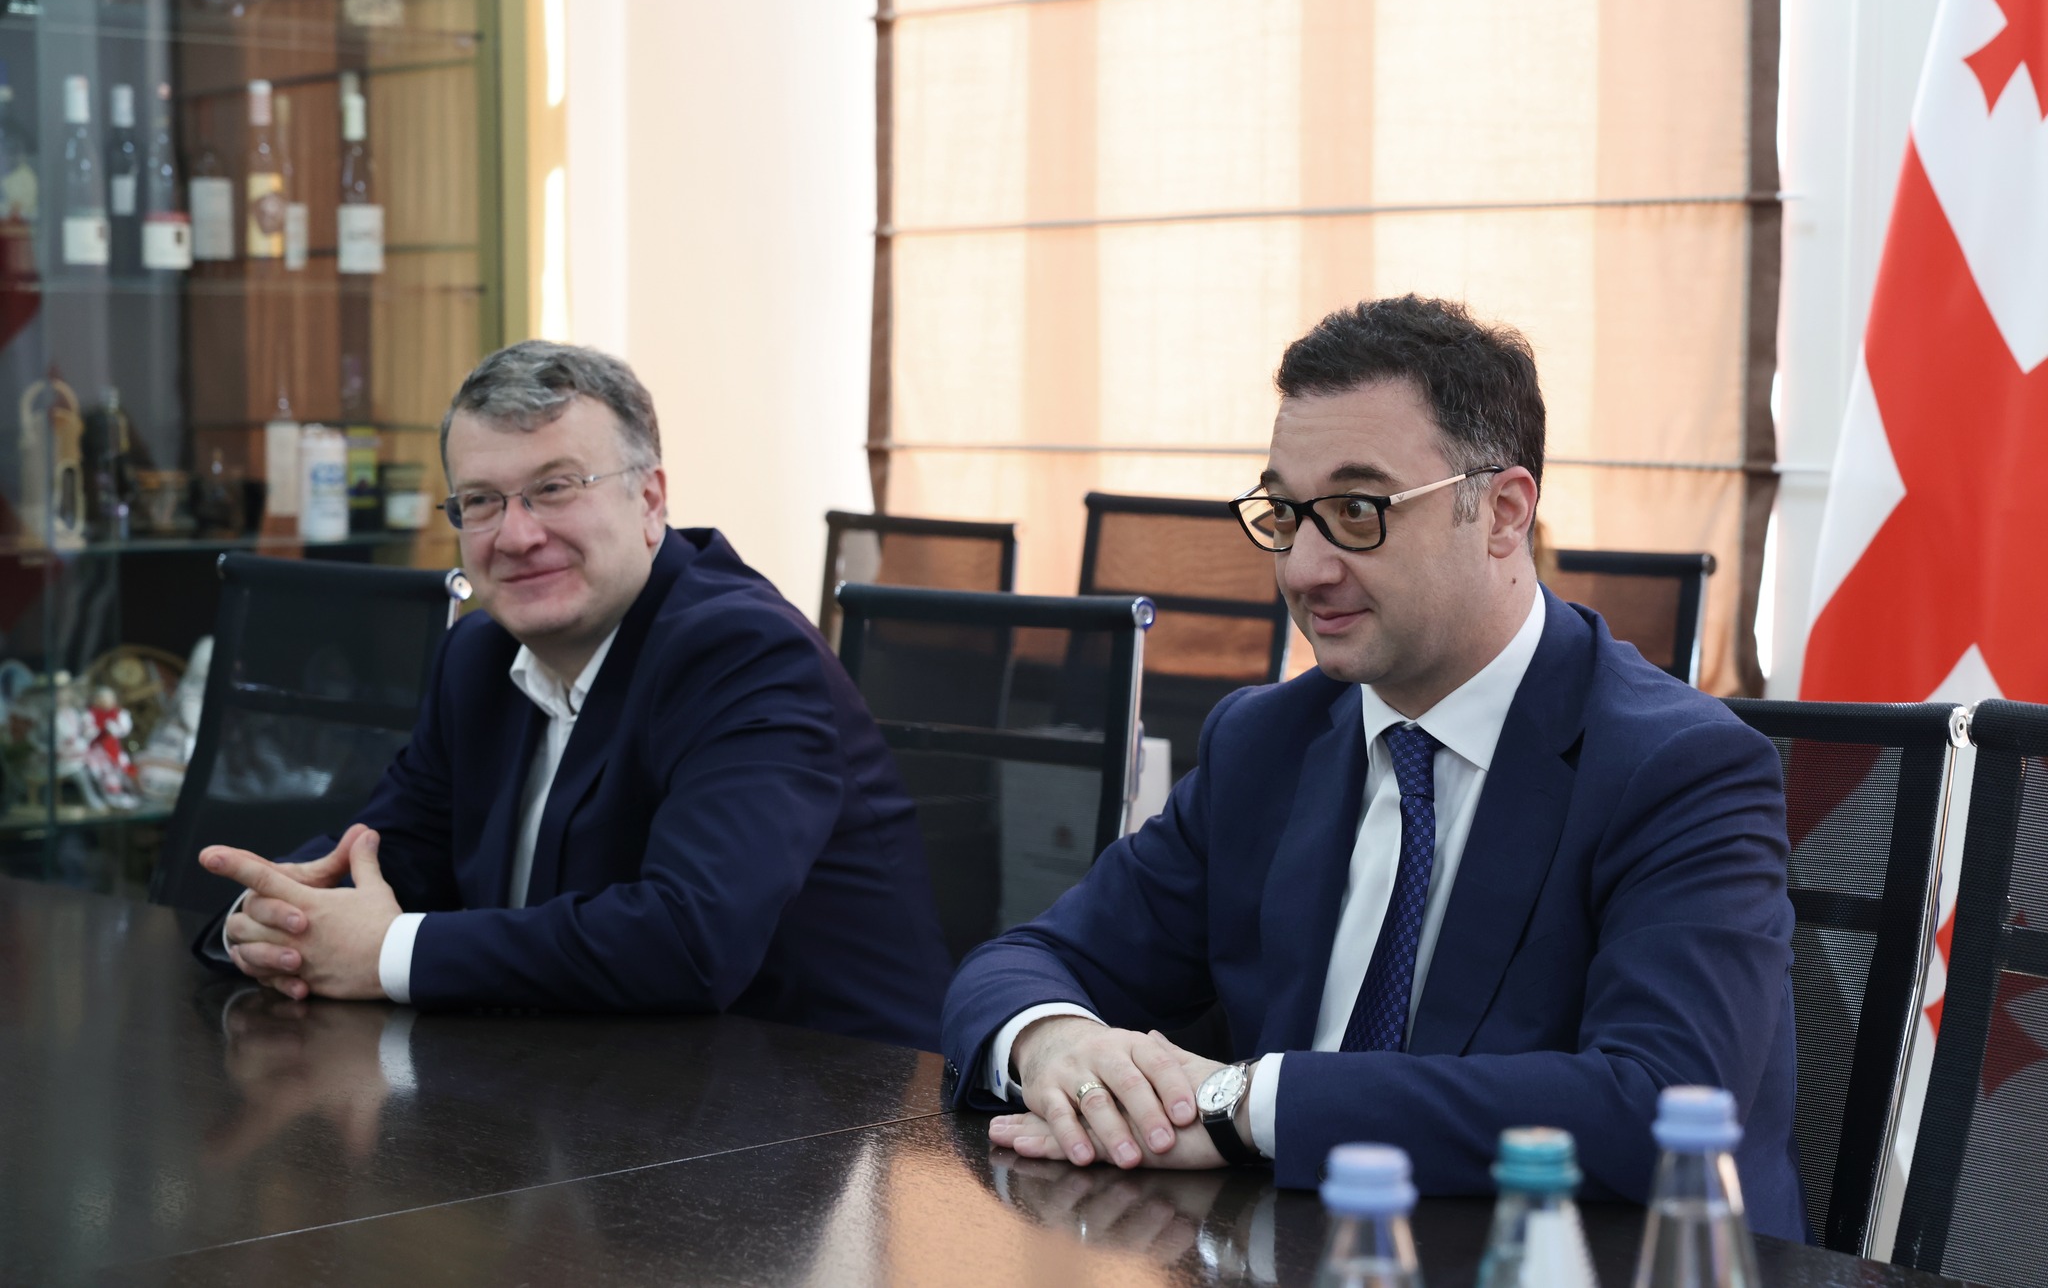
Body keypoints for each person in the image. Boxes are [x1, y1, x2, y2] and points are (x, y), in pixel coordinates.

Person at [940, 296, 1805, 1238]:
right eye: (1285, 513)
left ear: (1503, 513)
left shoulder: (1680, 767)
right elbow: (1028, 960)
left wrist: (1245, 1104)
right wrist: (1054, 1043)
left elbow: (1660, 1109)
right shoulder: (1264, 741)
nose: (1303, 569)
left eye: (1357, 512)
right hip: (1298, 1248)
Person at [195, 341, 952, 1048]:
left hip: (823, 1105)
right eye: (481, 501)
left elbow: (688, 940)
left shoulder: (742, 653)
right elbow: (387, 856)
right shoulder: (480, 656)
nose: (516, 536)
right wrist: (272, 918)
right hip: (584, 1084)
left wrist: (389, 952)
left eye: (554, 489)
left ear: (650, 500)